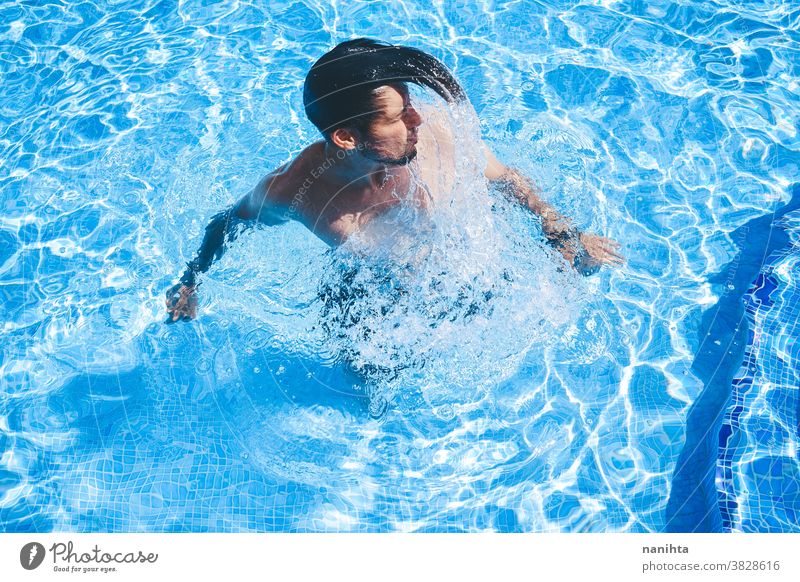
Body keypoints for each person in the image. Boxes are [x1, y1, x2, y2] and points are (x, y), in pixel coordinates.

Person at [165, 38, 623, 322]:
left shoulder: (435, 134)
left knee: (561, 283)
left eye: (409, 102)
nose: (418, 117)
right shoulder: (297, 192)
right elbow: (229, 222)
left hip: (457, 267)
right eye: (398, 115)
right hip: (375, 290)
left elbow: (503, 179)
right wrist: (190, 283)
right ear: (346, 137)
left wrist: (558, 225)